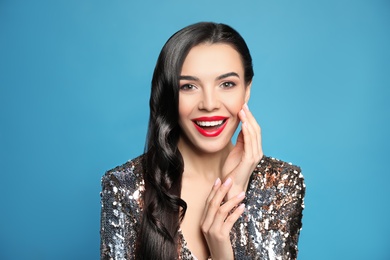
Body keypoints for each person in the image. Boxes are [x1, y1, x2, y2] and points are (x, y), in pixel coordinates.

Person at [100, 22, 305, 260]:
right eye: (189, 86)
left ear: (247, 89)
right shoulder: (125, 185)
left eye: (227, 84)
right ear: (170, 95)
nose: (209, 104)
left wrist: (231, 212)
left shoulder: (279, 184)